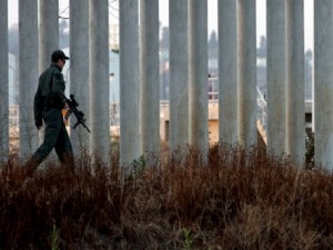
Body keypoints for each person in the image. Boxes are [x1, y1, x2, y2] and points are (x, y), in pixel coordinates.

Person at [24, 49, 74, 176]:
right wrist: (64, 103)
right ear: (59, 60)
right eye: (64, 61)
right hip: (54, 115)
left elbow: (37, 99)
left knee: (65, 146)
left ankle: (71, 176)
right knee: (48, 145)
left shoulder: (44, 75)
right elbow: (57, 92)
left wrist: (38, 119)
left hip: (49, 115)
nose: (64, 64)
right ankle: (26, 170)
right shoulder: (57, 74)